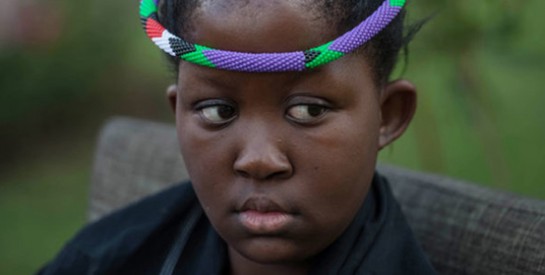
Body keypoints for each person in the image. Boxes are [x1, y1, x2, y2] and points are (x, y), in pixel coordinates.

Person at [39, 0, 437, 274]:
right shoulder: (101, 261)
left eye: (309, 110)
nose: (259, 159)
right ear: (177, 112)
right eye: (218, 111)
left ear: (387, 115)